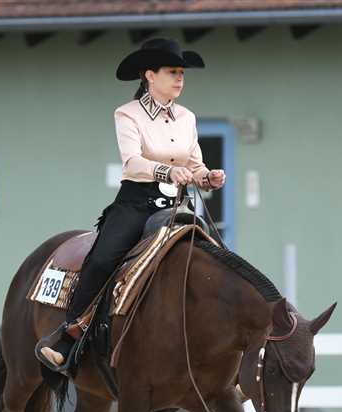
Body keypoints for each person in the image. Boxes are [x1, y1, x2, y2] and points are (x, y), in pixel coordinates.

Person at [36, 37, 227, 374]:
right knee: (102, 260)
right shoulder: (127, 113)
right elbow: (132, 161)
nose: (180, 78)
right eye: (172, 71)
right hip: (136, 204)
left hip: (176, 207)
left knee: (217, 260)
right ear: (150, 75)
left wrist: (208, 177)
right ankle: (71, 334)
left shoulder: (187, 117)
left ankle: (224, 349)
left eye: (182, 72)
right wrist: (168, 171)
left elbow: (194, 164)